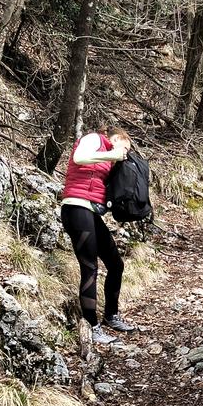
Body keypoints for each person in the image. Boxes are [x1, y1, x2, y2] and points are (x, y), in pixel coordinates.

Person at [60, 127, 137, 350]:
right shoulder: (94, 139)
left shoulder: (107, 156)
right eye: (125, 147)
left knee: (116, 264)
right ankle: (92, 327)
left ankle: (111, 315)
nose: (125, 152)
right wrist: (112, 155)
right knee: (89, 267)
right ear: (116, 139)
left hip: (91, 212)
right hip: (76, 208)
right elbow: (79, 158)